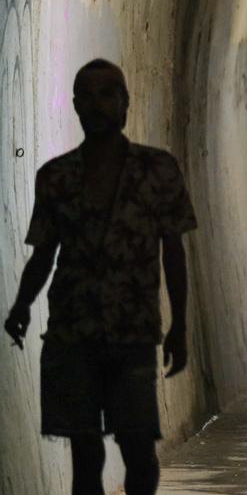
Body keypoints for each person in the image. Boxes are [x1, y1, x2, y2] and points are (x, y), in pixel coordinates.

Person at [4, 59, 197, 495]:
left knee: (139, 450)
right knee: (85, 454)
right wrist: (21, 305)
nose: (97, 104)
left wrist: (179, 326)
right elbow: (44, 254)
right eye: (87, 96)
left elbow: (174, 251)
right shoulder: (55, 178)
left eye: (107, 94)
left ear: (126, 103)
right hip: (73, 335)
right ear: (75, 106)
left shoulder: (158, 170)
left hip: (133, 336)